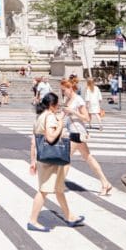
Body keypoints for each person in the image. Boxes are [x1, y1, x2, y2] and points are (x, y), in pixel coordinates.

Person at [28, 93, 84, 232]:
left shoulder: (40, 117)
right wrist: (60, 123)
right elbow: (51, 137)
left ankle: (70, 216)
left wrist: (32, 160)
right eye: (57, 104)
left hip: (43, 158)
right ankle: (33, 221)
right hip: (51, 160)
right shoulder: (50, 117)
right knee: (43, 191)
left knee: (59, 189)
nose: (58, 107)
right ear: (52, 105)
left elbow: (33, 141)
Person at [60, 80, 112, 196]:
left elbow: (87, 118)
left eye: (64, 90)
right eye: (62, 91)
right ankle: (105, 183)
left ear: (70, 88)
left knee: (66, 158)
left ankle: (58, 184)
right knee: (88, 158)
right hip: (72, 131)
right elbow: (63, 115)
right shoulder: (67, 100)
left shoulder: (78, 100)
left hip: (78, 132)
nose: (63, 93)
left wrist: (73, 111)